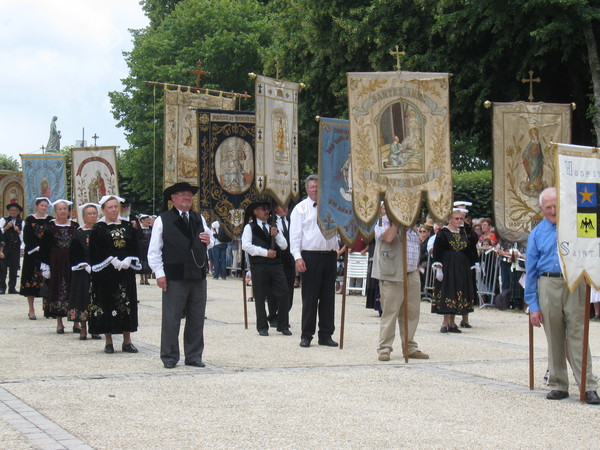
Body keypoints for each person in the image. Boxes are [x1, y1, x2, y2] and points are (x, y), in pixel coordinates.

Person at [525, 187, 600, 404]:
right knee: (554, 335)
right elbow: (530, 270)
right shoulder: (537, 233)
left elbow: (591, 250)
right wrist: (533, 303)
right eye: (548, 207)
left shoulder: (577, 226)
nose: (552, 210)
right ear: (541, 209)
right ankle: (558, 384)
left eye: (556, 205)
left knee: (579, 333)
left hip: (575, 281)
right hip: (548, 283)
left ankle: (588, 386)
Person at [148, 182, 213, 369]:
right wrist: (159, 273)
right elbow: (154, 250)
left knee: (196, 317)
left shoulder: (199, 218)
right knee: (172, 317)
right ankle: (169, 355)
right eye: (182, 194)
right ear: (173, 198)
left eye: (189, 195)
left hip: (197, 273)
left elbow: (210, 242)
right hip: (174, 275)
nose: (187, 198)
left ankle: (193, 355)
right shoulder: (163, 219)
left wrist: (210, 240)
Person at [290, 174, 339, 348]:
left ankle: (326, 334)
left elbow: (338, 227)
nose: (315, 190)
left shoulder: (331, 207)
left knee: (328, 297)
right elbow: (295, 235)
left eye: (318, 187)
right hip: (310, 256)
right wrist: (297, 257)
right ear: (307, 189)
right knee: (310, 297)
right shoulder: (300, 209)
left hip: (329, 255)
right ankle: (306, 334)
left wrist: (338, 246)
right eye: (312, 187)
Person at [374, 207, 429, 361]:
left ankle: (409, 346)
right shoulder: (382, 221)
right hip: (392, 273)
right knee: (390, 312)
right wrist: (396, 223)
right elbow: (388, 238)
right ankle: (384, 348)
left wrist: (416, 267)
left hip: (411, 272)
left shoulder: (411, 225)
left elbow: (414, 246)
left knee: (411, 312)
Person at [88, 195, 140, 354]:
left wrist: (129, 259)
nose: (113, 210)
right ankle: (108, 341)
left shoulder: (127, 225)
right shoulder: (98, 228)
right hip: (106, 273)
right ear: (103, 209)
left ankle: (127, 340)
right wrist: (111, 260)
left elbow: (135, 245)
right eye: (110, 207)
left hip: (125, 271)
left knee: (126, 303)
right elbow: (95, 250)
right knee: (107, 303)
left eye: (115, 207)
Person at [242, 201, 291, 336]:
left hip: (275, 265)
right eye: (263, 209)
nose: (266, 211)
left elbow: (284, 245)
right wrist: (265, 252)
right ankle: (262, 326)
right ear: (255, 212)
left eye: (267, 209)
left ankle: (283, 324)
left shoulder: (273, 226)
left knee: (284, 292)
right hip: (259, 265)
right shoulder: (249, 227)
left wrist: (277, 235)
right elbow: (246, 246)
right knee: (260, 295)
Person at [431, 208, 477, 333]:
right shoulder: (443, 233)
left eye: (461, 218)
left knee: (458, 291)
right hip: (448, 265)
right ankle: (445, 323)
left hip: (461, 266)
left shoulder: (463, 233)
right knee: (448, 290)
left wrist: (473, 264)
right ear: (450, 219)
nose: (459, 221)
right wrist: (439, 268)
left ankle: (452, 323)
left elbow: (470, 247)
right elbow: (438, 251)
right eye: (456, 218)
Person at [39, 199, 79, 333]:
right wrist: (45, 266)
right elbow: (44, 248)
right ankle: (59, 322)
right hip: (56, 262)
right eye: (60, 209)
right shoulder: (50, 227)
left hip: (72, 261)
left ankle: (76, 322)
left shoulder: (75, 226)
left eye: (65, 209)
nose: (63, 211)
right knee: (57, 289)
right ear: (55, 211)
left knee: (73, 289)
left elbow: (79, 245)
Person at [68, 203, 101, 340]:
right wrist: (84, 265)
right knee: (83, 297)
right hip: (82, 271)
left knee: (96, 298)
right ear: (83, 216)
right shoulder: (79, 232)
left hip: (98, 268)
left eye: (94, 213)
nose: (92, 216)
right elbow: (74, 253)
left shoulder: (100, 231)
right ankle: (83, 327)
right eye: (89, 214)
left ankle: (96, 328)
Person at [20, 197, 53, 319]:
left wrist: (46, 248)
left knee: (47, 280)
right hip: (33, 255)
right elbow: (27, 237)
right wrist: (36, 247)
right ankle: (31, 309)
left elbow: (51, 236)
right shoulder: (29, 220)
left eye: (45, 206)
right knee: (31, 281)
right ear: (36, 206)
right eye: (42, 205)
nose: (43, 208)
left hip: (46, 254)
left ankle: (48, 308)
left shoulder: (50, 220)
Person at [268, 203, 295, 327]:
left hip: (290, 260)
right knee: (275, 289)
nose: (285, 208)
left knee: (289, 290)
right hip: (276, 259)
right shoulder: (270, 222)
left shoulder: (292, 221)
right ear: (275, 208)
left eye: (286, 206)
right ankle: (273, 315)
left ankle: (283, 315)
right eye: (281, 206)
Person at [0, 202, 23, 294]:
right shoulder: (3, 220)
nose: (12, 212)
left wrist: (18, 231)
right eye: (11, 210)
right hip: (5, 247)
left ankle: (12, 287)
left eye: (15, 210)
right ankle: (2, 287)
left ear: (18, 212)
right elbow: (0, 231)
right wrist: (6, 227)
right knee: (3, 268)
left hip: (15, 247)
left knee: (14, 268)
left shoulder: (21, 222)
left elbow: (23, 237)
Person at [136, 214, 152, 285]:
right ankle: (142, 278)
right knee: (141, 261)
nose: (148, 221)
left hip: (148, 246)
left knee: (147, 261)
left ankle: (146, 278)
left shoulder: (151, 228)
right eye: (146, 220)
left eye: (149, 220)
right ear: (142, 220)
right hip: (141, 247)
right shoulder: (139, 229)